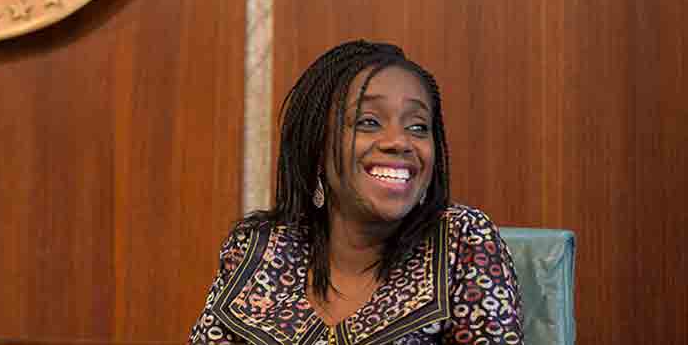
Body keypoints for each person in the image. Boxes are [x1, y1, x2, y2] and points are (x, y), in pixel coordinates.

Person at [187, 40, 524, 345]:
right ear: (318, 147)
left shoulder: (461, 240)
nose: (399, 141)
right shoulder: (258, 249)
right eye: (369, 122)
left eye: (418, 126)